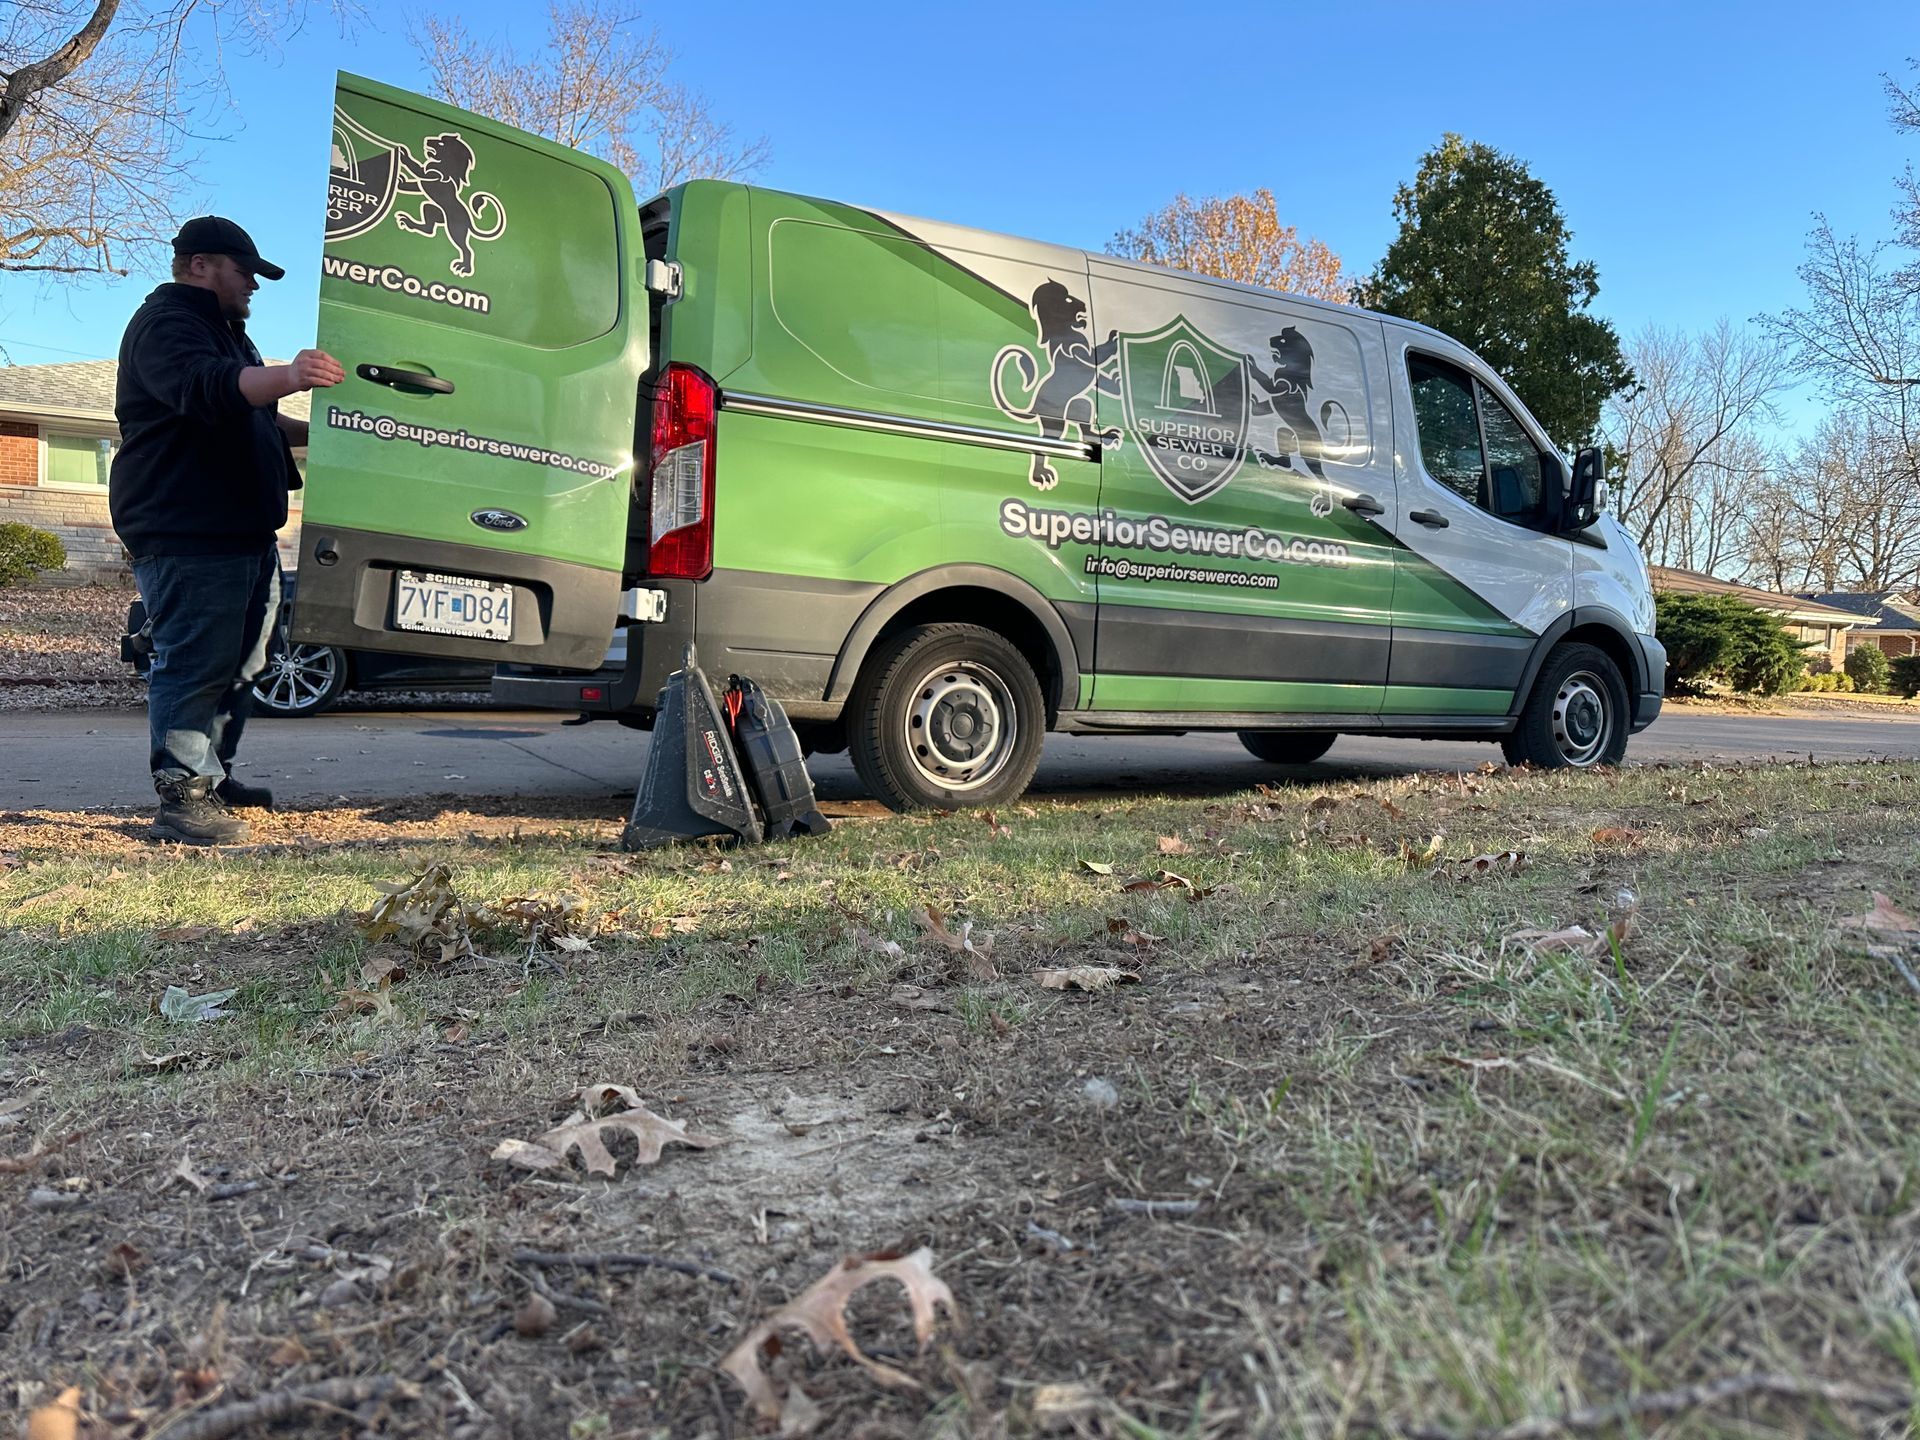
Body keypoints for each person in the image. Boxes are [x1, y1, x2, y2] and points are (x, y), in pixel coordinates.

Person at [110, 216, 345, 844]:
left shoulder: (226, 332)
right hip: (188, 528)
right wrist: (292, 375)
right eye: (246, 272)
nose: (254, 285)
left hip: (242, 528)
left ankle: (212, 778)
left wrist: (339, 437)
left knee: (243, 663)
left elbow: (258, 416)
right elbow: (207, 390)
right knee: (194, 663)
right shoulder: (167, 324)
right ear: (199, 264)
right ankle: (182, 797)